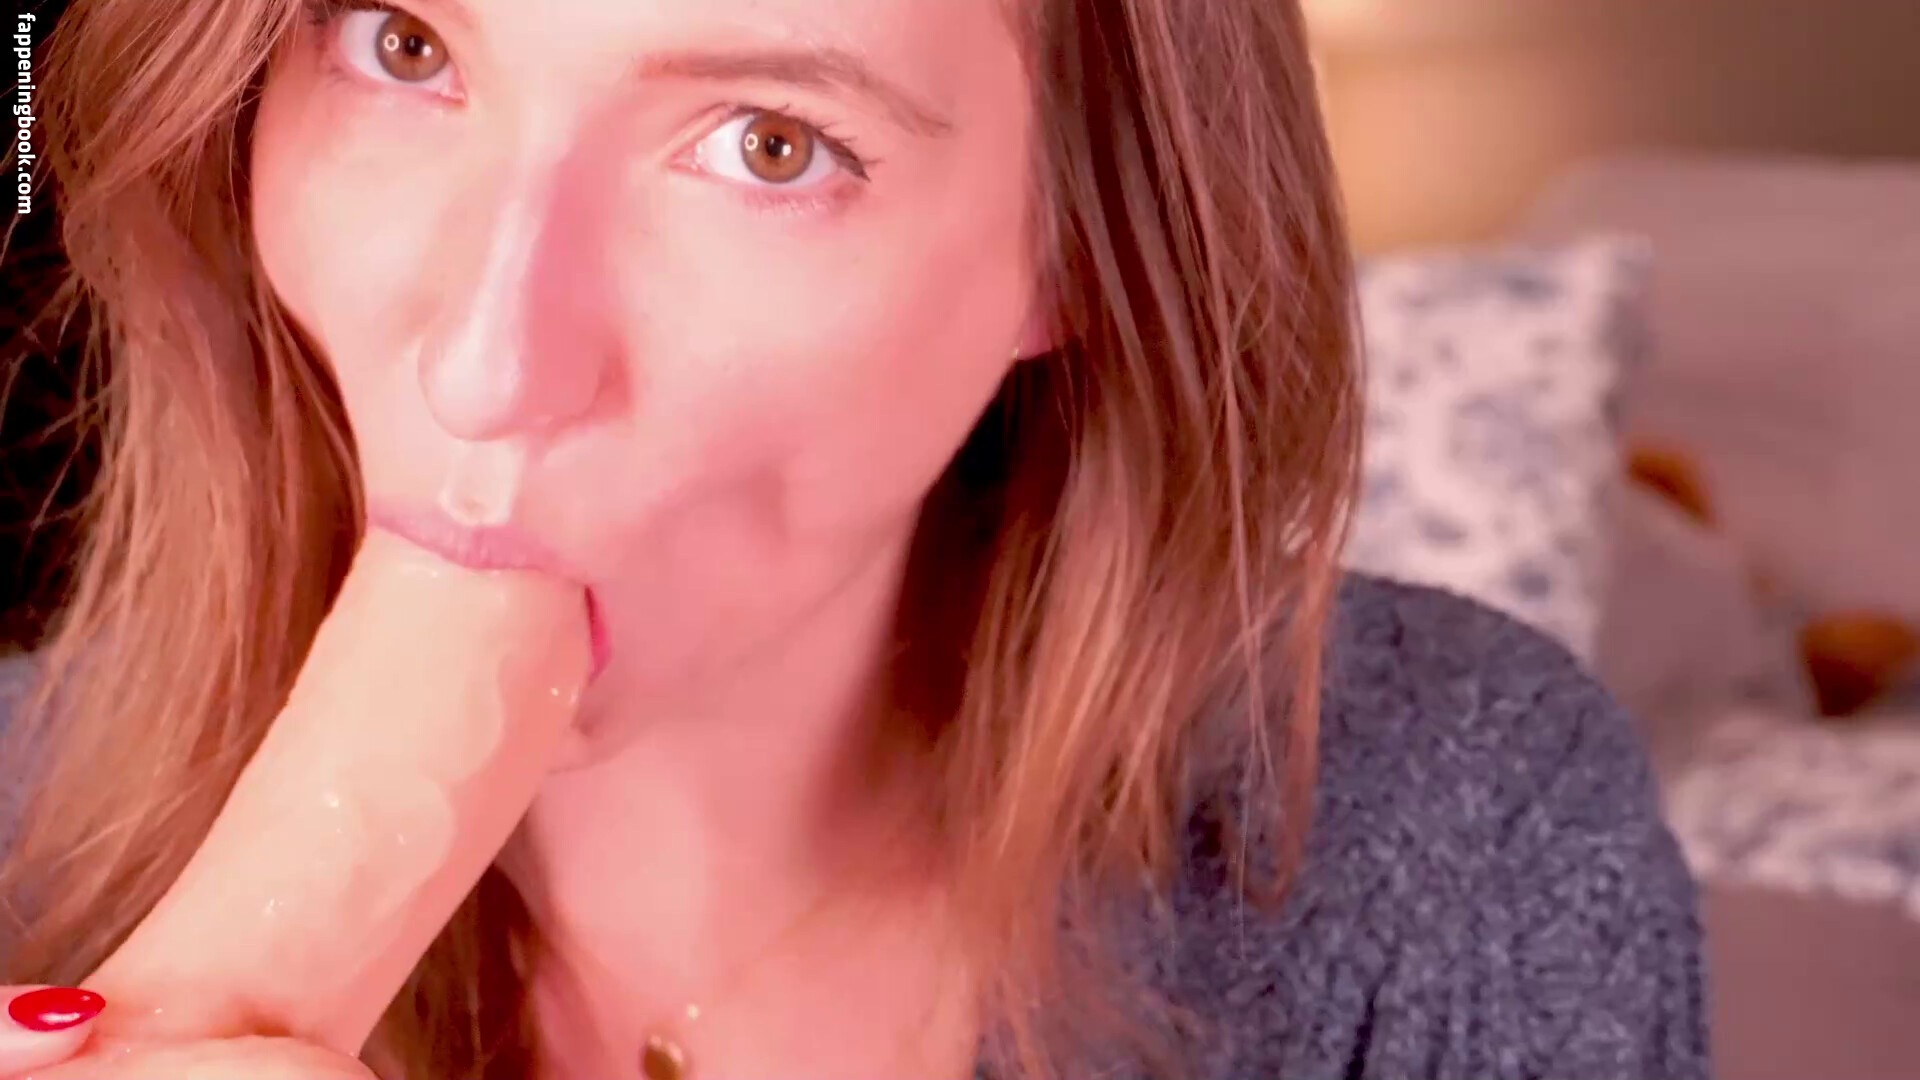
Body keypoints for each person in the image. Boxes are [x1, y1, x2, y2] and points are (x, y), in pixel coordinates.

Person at [0, 0, 1709, 1077]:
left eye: (771, 145)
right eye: (405, 47)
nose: (490, 363)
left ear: (1078, 247)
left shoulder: (1457, 834)